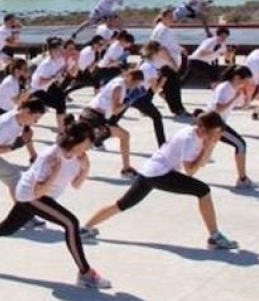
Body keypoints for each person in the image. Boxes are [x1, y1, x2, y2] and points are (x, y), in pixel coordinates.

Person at [0, 120, 112, 290]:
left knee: (6, 228)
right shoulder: (50, 156)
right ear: (75, 141)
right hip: (31, 195)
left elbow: (76, 185)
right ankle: (86, 274)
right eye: (87, 143)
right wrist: (54, 173)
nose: (88, 148)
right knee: (71, 223)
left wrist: (86, 168)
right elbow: (37, 192)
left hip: (40, 197)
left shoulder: (77, 157)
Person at [81, 111, 239, 250]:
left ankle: (85, 229)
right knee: (203, 191)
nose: (217, 136)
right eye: (215, 132)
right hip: (160, 174)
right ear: (204, 129)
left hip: (150, 171)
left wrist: (208, 146)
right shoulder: (190, 139)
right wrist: (209, 146)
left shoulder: (196, 133)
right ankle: (215, 237)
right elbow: (190, 171)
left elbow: (201, 163)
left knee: (123, 204)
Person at [76, 69, 146, 176]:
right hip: (93, 117)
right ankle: (126, 169)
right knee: (82, 146)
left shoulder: (119, 82)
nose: (135, 86)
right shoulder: (118, 87)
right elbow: (115, 110)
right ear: (131, 79)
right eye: (136, 83)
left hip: (94, 116)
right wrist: (129, 100)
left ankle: (126, 168)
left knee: (82, 144)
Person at [203, 66, 259, 189]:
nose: (248, 83)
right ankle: (243, 179)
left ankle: (176, 172)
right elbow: (218, 109)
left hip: (218, 123)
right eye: (247, 80)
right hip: (212, 123)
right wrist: (234, 97)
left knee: (201, 154)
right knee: (240, 145)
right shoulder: (224, 88)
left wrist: (249, 94)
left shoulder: (236, 89)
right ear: (237, 77)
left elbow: (244, 107)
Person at [126, 41, 169, 145]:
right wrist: (164, 79)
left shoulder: (145, 62)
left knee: (113, 120)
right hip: (137, 96)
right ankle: (162, 145)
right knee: (157, 117)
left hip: (133, 93)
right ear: (156, 52)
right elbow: (155, 89)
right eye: (161, 50)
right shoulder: (151, 68)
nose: (164, 52)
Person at [149, 7, 189, 116]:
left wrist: (180, 49)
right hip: (164, 64)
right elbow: (160, 48)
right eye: (170, 17)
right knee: (173, 86)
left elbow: (170, 45)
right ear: (163, 17)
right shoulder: (162, 30)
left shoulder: (164, 29)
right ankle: (178, 109)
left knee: (170, 86)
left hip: (164, 63)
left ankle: (175, 107)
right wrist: (171, 62)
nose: (173, 19)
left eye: (173, 17)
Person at [28, 36, 71, 130]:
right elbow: (40, 82)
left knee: (61, 102)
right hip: (37, 88)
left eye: (60, 49)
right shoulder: (46, 64)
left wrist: (62, 73)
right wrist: (54, 77)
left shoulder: (60, 59)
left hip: (49, 85)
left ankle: (61, 127)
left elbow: (63, 67)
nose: (60, 52)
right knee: (42, 108)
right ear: (51, 51)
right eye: (57, 50)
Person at [0, 57, 30, 123]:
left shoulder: (18, 80)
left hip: (6, 110)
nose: (27, 71)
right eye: (25, 69)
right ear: (17, 70)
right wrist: (28, 91)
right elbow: (17, 102)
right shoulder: (9, 83)